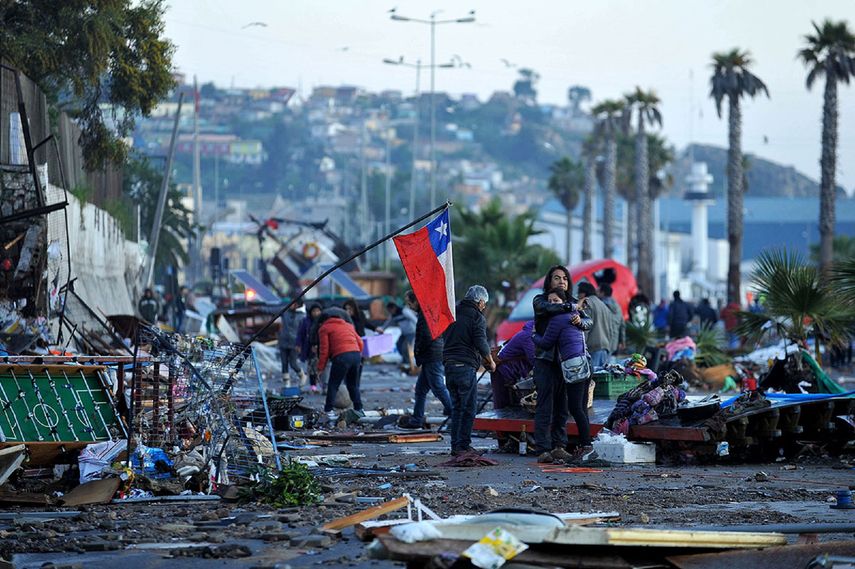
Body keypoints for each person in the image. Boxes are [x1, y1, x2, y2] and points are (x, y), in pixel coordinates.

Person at [532, 288, 596, 463]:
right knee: (581, 408)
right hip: (586, 364)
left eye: (556, 301)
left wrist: (534, 336)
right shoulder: (575, 315)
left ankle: (587, 446)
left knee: (575, 409)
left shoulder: (557, 319)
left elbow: (546, 343)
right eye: (550, 301)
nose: (552, 304)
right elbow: (588, 322)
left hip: (573, 367)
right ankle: (587, 446)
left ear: (564, 302)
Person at [442, 285, 495, 456]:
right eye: (484, 304)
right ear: (480, 302)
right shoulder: (476, 317)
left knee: (457, 407)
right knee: (469, 408)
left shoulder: (453, 312)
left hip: (449, 366)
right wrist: (491, 362)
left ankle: (455, 446)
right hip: (465, 368)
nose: (484, 307)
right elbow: (481, 343)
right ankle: (463, 446)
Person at [531, 265, 576, 460]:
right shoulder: (540, 301)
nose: (562, 281)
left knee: (562, 407)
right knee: (544, 406)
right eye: (557, 278)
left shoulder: (573, 303)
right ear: (549, 281)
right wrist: (569, 307)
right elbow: (550, 307)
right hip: (545, 361)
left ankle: (559, 445)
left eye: (565, 278)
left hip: (566, 363)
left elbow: (586, 322)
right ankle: (542, 449)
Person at [402, 290, 453, 428]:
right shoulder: (426, 313)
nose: (409, 307)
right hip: (431, 355)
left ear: (416, 301)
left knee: (437, 386)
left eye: (410, 303)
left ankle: (454, 412)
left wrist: (418, 352)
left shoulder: (425, 315)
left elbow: (426, 336)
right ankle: (417, 419)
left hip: (432, 356)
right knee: (420, 389)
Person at [317, 312, 364, 424]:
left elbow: (324, 350)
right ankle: (359, 408)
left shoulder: (324, 328)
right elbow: (360, 342)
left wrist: (320, 368)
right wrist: (356, 353)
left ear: (322, 321)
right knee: (353, 385)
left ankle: (328, 410)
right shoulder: (348, 325)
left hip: (341, 356)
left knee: (333, 384)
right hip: (356, 355)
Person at [491, 321, 535, 410]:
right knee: (503, 407)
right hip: (504, 373)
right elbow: (534, 360)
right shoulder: (528, 336)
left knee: (511, 405)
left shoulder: (530, 334)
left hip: (510, 372)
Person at [576, 281, 613, 369]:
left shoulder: (587, 304)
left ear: (583, 293)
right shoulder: (603, 305)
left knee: (593, 380)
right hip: (605, 348)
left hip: (593, 348)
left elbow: (586, 327)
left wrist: (581, 348)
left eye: (578, 294)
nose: (577, 297)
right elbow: (611, 330)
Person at [382, 301, 418, 373]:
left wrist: (419, 328)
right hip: (404, 333)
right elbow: (388, 323)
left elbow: (414, 319)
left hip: (411, 332)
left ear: (394, 308)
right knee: (399, 344)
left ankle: (407, 363)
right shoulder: (393, 315)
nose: (390, 312)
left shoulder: (404, 311)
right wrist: (382, 329)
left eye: (390, 310)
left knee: (406, 348)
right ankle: (405, 360)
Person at [278, 299, 306, 383]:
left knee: (293, 363)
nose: (291, 305)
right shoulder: (285, 312)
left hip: (294, 343)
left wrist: (301, 344)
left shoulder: (302, 316)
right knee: (284, 363)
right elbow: (272, 310)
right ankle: (286, 383)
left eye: (293, 304)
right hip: (283, 341)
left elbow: (303, 332)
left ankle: (302, 375)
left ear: (297, 305)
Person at [297, 303, 323, 392]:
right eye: (314, 311)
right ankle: (313, 386)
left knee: (322, 367)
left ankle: (323, 385)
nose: (316, 313)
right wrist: (298, 344)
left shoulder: (323, 321)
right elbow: (300, 333)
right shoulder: (306, 321)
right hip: (309, 348)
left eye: (318, 311)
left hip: (322, 347)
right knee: (312, 368)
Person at [599, 283, 625, 356]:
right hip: (614, 343)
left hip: (602, 343)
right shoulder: (618, 306)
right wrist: (622, 341)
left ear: (602, 293)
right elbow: (622, 324)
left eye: (598, 291)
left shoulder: (600, 305)